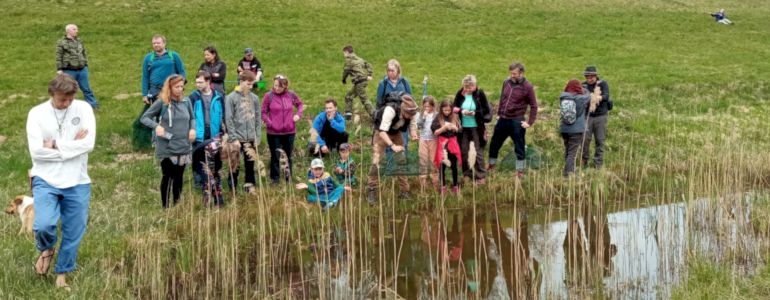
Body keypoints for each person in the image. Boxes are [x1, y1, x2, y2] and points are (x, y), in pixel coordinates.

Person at [27, 75, 96, 291]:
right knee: (44, 224)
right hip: (45, 178)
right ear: (52, 95)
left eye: (69, 99)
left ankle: (62, 274)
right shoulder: (37, 114)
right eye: (61, 100)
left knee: (74, 230)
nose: (66, 103)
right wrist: (71, 147)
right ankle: (47, 249)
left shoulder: (83, 109)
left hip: (77, 179)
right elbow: (37, 152)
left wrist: (55, 145)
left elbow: (88, 144)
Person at [141, 75, 195, 208]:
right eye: (177, 87)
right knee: (168, 176)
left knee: (179, 176)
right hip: (167, 146)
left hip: (183, 145)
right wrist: (157, 126)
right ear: (169, 87)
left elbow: (192, 118)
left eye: (182, 86)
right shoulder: (162, 103)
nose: (180, 89)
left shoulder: (186, 102)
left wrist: (192, 129)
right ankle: (165, 207)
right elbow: (145, 118)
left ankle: (177, 204)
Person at [487, 62, 538, 178]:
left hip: (516, 120)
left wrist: (529, 122)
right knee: (494, 143)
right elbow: (502, 99)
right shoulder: (506, 82)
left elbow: (534, 106)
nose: (512, 76)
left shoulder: (528, 87)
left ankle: (519, 171)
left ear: (521, 73)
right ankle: (491, 165)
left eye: (514, 73)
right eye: (511, 73)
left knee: (519, 147)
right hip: (503, 119)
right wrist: (499, 114)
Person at [367, 93, 418, 204]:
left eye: (412, 114)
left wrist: (414, 134)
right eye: (408, 115)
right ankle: (372, 190)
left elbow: (412, 125)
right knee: (377, 161)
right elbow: (382, 131)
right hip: (381, 133)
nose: (410, 116)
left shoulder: (412, 112)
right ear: (403, 110)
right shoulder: (390, 110)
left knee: (401, 161)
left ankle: (404, 191)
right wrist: (392, 146)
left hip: (396, 132)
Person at [189, 71, 226, 206]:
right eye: (196, 82)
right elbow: (190, 116)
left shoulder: (219, 96)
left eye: (200, 82)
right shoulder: (192, 97)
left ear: (208, 82)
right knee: (201, 165)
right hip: (199, 135)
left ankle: (216, 193)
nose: (197, 84)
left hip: (215, 134)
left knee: (215, 165)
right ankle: (204, 190)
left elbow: (224, 115)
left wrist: (224, 132)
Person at [224, 71, 261, 194]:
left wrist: (257, 136)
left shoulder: (254, 98)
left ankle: (249, 187)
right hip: (236, 138)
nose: (251, 87)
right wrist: (233, 138)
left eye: (252, 84)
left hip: (250, 137)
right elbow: (228, 119)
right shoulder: (230, 98)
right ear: (241, 81)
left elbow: (257, 118)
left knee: (250, 164)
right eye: (248, 84)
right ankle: (232, 188)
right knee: (235, 164)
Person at [262, 74, 303, 184]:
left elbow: (300, 105)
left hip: (289, 132)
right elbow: (263, 112)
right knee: (275, 156)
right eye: (275, 85)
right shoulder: (268, 96)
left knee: (288, 156)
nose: (276, 88)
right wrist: (270, 123)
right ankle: (274, 179)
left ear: (285, 86)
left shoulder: (291, 95)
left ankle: (288, 178)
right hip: (273, 132)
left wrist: (298, 115)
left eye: (279, 86)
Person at [453, 75, 491, 185]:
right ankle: (467, 174)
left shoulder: (480, 94)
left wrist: (476, 113)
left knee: (477, 151)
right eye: (465, 87)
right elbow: (454, 107)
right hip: (463, 128)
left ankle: (480, 176)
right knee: (464, 151)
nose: (467, 89)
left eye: (470, 87)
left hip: (476, 127)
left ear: (475, 85)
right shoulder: (460, 93)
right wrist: (461, 111)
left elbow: (486, 110)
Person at [377, 59, 416, 152]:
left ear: (398, 70)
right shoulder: (383, 83)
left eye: (392, 70)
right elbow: (379, 100)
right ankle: (389, 165)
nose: (390, 73)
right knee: (388, 142)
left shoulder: (404, 82)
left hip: (403, 115)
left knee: (403, 142)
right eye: (388, 70)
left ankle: (402, 164)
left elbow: (410, 97)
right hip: (389, 115)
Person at [56, 24, 99, 109]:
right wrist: (59, 69)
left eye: (77, 29)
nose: (77, 31)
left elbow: (84, 52)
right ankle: (66, 106)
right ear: (68, 31)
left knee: (86, 89)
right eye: (74, 29)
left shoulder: (79, 41)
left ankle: (93, 106)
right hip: (69, 70)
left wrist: (85, 64)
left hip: (82, 69)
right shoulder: (61, 42)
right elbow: (58, 56)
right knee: (67, 89)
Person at [141, 34, 186, 105]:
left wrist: (180, 87)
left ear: (164, 43)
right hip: (155, 91)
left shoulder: (174, 56)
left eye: (158, 43)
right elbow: (145, 76)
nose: (156, 45)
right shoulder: (148, 58)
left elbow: (182, 72)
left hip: (171, 89)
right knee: (157, 113)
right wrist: (144, 94)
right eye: (154, 43)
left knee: (173, 112)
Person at [581, 66, 612, 169]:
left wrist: (597, 97)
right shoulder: (583, 85)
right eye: (587, 77)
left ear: (596, 76)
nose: (589, 79)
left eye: (591, 77)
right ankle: (584, 161)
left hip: (600, 116)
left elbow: (606, 96)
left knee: (600, 140)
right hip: (587, 116)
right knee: (585, 139)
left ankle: (598, 163)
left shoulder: (603, 84)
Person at [559, 80, 590, 177]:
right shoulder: (581, 98)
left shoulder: (564, 97)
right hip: (576, 130)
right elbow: (588, 95)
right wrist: (584, 89)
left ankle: (569, 169)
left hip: (564, 129)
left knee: (568, 151)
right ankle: (568, 174)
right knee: (572, 153)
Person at [431, 100, 462, 194]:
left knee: (454, 166)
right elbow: (435, 131)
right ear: (441, 109)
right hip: (443, 143)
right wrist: (444, 128)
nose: (447, 112)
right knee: (442, 166)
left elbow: (460, 131)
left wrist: (455, 128)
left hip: (452, 143)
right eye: (445, 110)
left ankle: (455, 185)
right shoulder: (438, 117)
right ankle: (443, 186)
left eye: (449, 110)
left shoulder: (455, 117)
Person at [341, 45, 374, 120]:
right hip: (362, 81)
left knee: (364, 99)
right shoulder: (359, 59)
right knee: (348, 96)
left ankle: (374, 115)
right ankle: (348, 115)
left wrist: (343, 79)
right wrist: (369, 74)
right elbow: (368, 65)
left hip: (359, 82)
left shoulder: (348, 60)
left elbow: (346, 71)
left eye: (344, 53)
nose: (344, 55)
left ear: (347, 52)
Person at [415, 96, 438, 190]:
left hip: (433, 140)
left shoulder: (436, 114)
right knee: (423, 161)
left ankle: (435, 183)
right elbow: (419, 126)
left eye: (429, 106)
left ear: (433, 106)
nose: (426, 108)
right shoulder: (421, 114)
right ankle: (423, 185)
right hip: (423, 139)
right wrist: (423, 117)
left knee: (434, 161)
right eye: (425, 106)